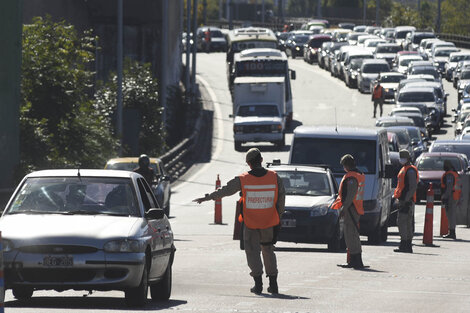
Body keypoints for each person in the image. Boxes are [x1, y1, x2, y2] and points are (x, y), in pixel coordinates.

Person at [193, 148, 285, 294]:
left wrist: (207, 197)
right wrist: (278, 217)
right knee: (268, 250)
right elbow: (281, 199)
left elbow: (225, 190)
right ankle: (273, 284)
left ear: (248, 164)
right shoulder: (274, 177)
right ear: (261, 160)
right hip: (269, 222)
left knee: (252, 252)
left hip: (251, 223)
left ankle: (258, 284)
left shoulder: (243, 179)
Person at [332, 154, 366, 269]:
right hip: (355, 208)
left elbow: (350, 196)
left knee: (350, 235)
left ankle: (355, 261)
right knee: (352, 235)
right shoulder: (358, 175)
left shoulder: (351, 177)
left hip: (351, 209)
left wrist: (343, 208)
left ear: (346, 165)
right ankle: (355, 260)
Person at [393, 149, 418, 253]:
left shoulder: (410, 170)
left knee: (403, 223)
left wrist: (405, 200)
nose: (400, 159)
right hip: (404, 200)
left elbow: (412, 187)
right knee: (405, 223)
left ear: (407, 158)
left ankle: (405, 244)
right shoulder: (405, 169)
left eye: (402, 157)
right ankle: (406, 245)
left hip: (406, 201)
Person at [441, 160, 461, 239]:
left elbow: (449, 187)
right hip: (454, 196)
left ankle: (452, 233)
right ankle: (451, 232)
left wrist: (444, 197)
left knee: (450, 215)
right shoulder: (454, 173)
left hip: (451, 197)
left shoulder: (449, 175)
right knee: (451, 215)